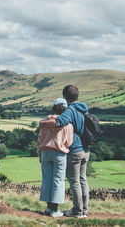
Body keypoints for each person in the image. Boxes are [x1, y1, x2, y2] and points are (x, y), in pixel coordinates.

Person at [39, 85, 89, 218]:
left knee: (73, 181)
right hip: (86, 149)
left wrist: (43, 123)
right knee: (83, 179)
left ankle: (76, 210)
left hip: (74, 149)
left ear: (65, 97)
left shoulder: (70, 110)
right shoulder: (84, 109)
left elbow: (59, 122)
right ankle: (84, 210)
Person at [37, 98, 74, 217]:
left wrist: (40, 153)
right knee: (58, 181)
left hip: (45, 152)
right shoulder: (67, 124)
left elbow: (39, 140)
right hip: (59, 153)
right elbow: (69, 142)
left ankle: (48, 208)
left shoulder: (44, 122)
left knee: (47, 179)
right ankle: (54, 210)